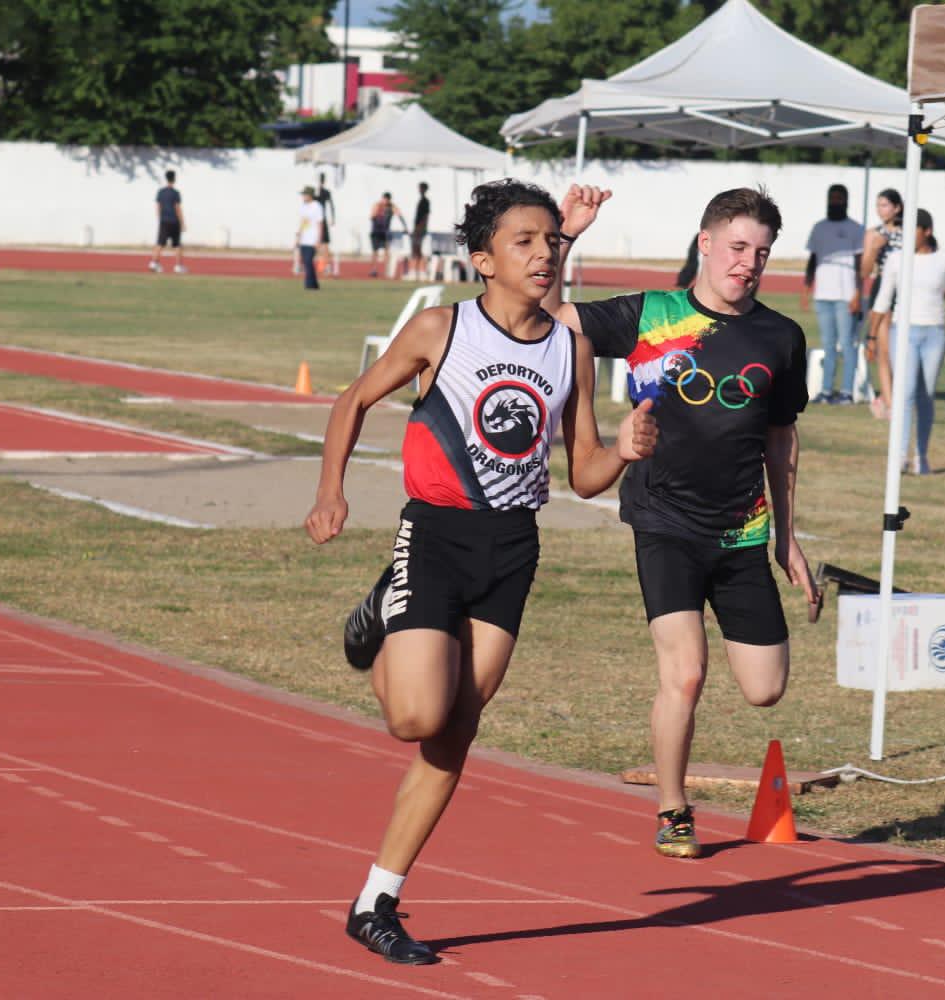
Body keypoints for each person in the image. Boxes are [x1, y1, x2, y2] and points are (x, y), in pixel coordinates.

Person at [307, 180, 656, 965]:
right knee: (414, 718)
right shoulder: (442, 328)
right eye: (524, 241)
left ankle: (375, 901)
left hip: (512, 550)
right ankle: (384, 615)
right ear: (484, 259)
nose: (543, 253)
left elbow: (585, 472)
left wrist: (624, 452)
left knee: (455, 731)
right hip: (435, 535)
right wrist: (330, 492)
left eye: (550, 240)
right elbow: (352, 401)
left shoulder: (570, 349)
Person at [550, 186, 820, 859]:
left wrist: (787, 537)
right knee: (687, 672)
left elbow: (781, 440)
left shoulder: (781, 338)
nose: (748, 264)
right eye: (737, 247)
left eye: (762, 253)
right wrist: (566, 235)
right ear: (705, 243)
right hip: (664, 521)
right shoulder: (651, 314)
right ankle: (673, 810)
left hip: (742, 531)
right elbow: (549, 313)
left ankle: (678, 789)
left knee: (765, 689)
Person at [870, 209, 945, 475]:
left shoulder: (944, 258)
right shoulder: (896, 259)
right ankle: (900, 455)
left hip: (934, 332)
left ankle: (921, 455)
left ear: (927, 231)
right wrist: (872, 335)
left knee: (926, 395)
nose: (907, 235)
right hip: (903, 331)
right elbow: (883, 299)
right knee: (906, 391)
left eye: (913, 229)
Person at [803, 184, 865, 404]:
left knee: (847, 344)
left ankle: (847, 392)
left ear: (846, 201)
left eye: (839, 198)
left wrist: (858, 293)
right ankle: (826, 391)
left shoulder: (856, 229)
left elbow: (860, 265)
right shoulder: (819, 227)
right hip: (823, 295)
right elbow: (813, 259)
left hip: (846, 296)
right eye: (832, 198)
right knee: (828, 345)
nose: (835, 202)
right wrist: (806, 289)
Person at [859, 189, 905, 418]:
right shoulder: (873, 233)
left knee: (901, 350)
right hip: (882, 289)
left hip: (905, 290)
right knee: (883, 350)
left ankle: (901, 397)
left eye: (885, 205)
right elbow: (865, 271)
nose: (881, 210)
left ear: (897, 207)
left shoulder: (909, 231)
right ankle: (889, 401)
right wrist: (874, 249)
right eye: (878, 205)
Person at [148, 170, 186, 274]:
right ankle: (178, 266)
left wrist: (160, 218)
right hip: (174, 221)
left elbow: (158, 207)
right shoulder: (175, 193)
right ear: (174, 179)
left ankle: (153, 263)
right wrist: (182, 222)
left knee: (160, 243)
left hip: (164, 221)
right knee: (177, 245)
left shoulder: (161, 192)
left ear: (166, 178)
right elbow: (177, 208)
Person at [294, 186, 325, 290]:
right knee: (306, 262)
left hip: (312, 239)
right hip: (304, 239)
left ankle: (308, 285)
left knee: (308, 261)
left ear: (310, 195)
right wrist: (298, 236)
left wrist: (319, 240)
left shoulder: (317, 206)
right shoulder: (303, 206)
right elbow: (303, 222)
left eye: (305, 194)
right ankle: (314, 284)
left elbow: (320, 224)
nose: (303, 196)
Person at [368, 192, 405, 277]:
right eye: (384, 199)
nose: (385, 201)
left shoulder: (392, 206)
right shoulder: (377, 205)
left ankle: (387, 270)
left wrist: (405, 227)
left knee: (386, 251)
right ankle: (373, 269)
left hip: (385, 232)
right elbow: (371, 216)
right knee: (375, 252)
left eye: (387, 200)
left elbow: (400, 215)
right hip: (376, 231)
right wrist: (379, 214)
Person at [315, 173, 338, 276]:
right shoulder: (317, 192)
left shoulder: (323, 192)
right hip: (319, 220)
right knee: (321, 244)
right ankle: (323, 265)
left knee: (323, 244)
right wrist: (333, 218)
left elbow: (331, 205)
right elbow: (332, 206)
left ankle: (326, 266)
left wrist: (333, 218)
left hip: (320, 220)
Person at [408, 182, 431, 279]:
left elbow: (425, 216)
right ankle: (415, 271)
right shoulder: (421, 200)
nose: (419, 190)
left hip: (420, 228)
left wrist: (420, 228)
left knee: (418, 249)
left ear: (424, 189)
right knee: (415, 250)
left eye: (420, 188)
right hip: (417, 227)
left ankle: (421, 271)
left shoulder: (425, 201)